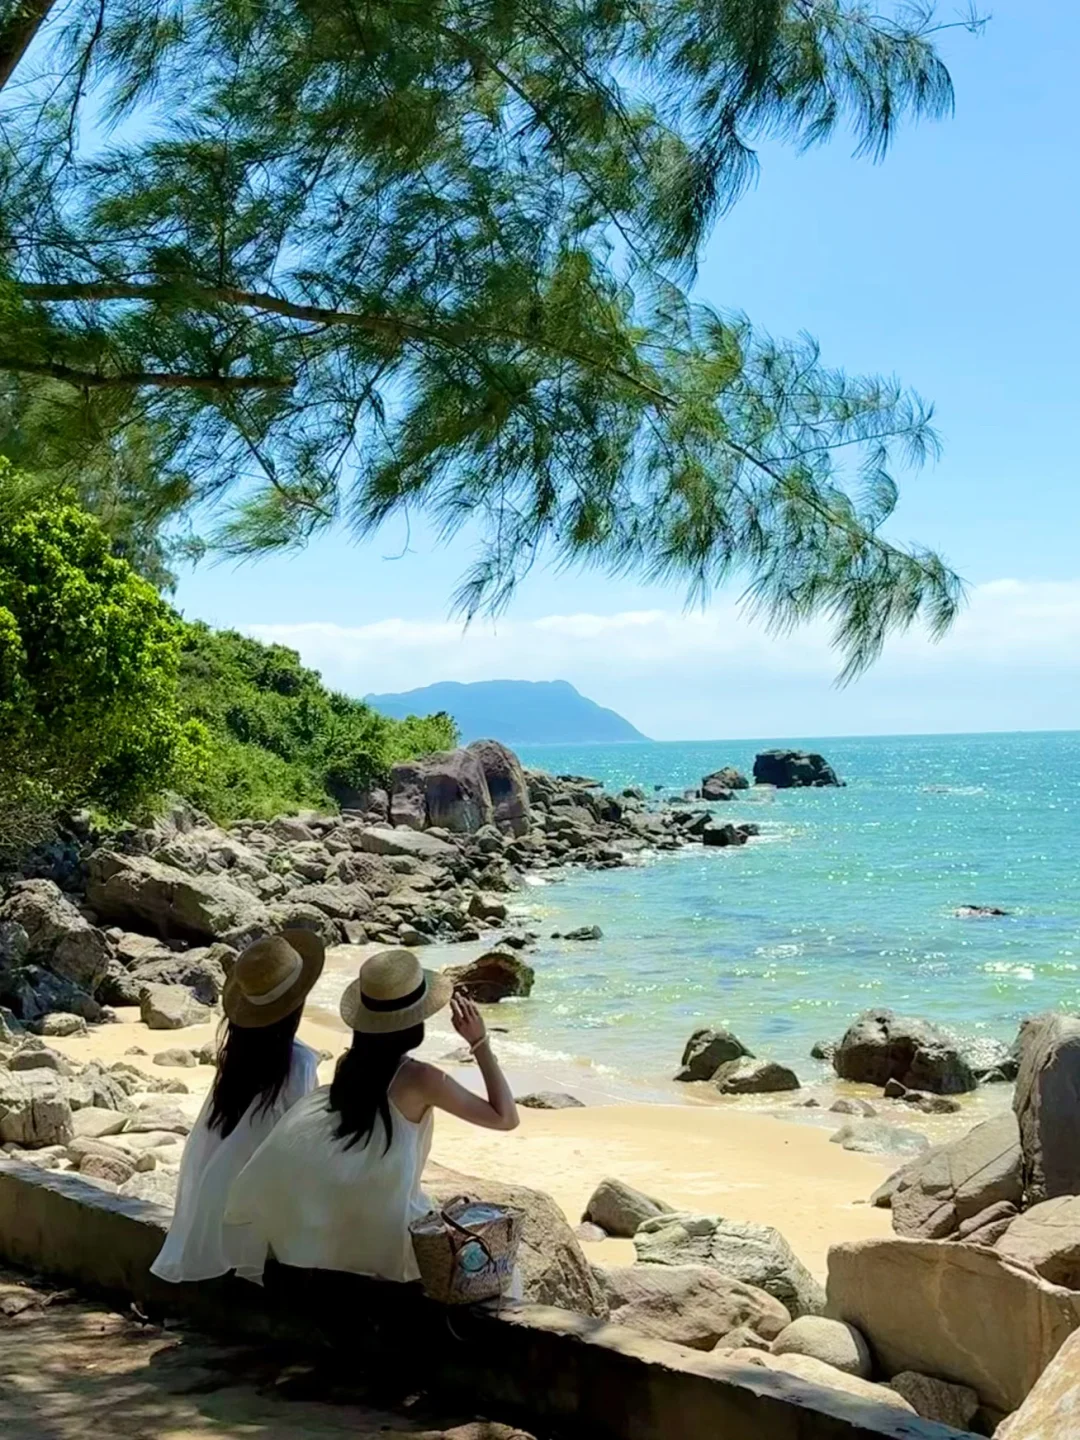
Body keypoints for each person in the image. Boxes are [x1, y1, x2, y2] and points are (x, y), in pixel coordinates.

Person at [224, 948, 519, 1285]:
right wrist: (480, 1042)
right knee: (500, 1270)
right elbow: (505, 1117)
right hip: (385, 1234)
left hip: (333, 1226)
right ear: (415, 1019)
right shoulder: (421, 1079)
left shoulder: (349, 1065)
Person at [150, 929, 324, 1284]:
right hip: (253, 1219)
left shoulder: (236, 1056)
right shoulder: (298, 1062)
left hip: (214, 1206)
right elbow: (302, 1151)